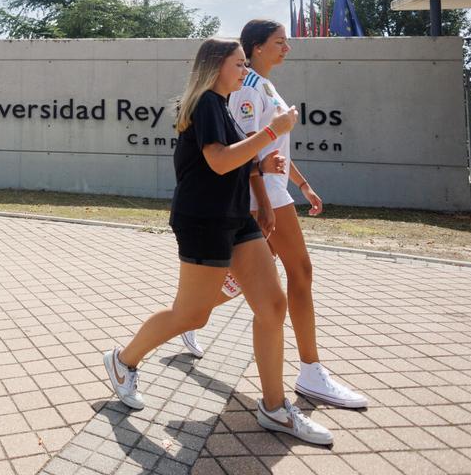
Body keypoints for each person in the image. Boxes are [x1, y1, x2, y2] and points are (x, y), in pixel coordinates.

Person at [103, 38, 334, 445]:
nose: (245, 70)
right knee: (192, 315)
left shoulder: (225, 107)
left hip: (235, 217)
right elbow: (218, 160)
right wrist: (272, 133)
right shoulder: (206, 103)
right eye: (238, 63)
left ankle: (275, 407)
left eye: (246, 63)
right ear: (214, 67)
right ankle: (123, 361)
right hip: (204, 220)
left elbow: (236, 161)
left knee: (273, 304)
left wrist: (262, 175)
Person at [185, 20, 368, 409]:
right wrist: (263, 203)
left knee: (243, 283)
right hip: (259, 194)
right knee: (297, 272)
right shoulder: (245, 89)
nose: (287, 49)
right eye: (279, 43)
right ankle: (310, 370)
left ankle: (187, 319)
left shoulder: (265, 86)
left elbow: (275, 149)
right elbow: (247, 151)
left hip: (276, 191)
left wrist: (301, 184)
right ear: (255, 48)